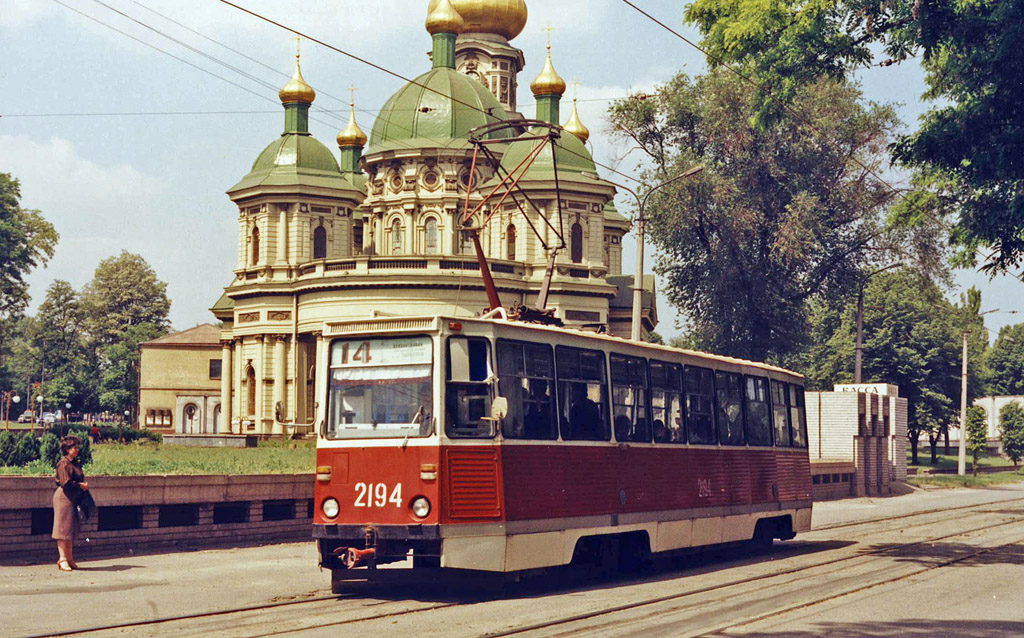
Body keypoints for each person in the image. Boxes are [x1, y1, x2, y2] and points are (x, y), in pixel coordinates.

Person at [52, 435, 88, 571]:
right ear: (67, 449)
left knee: (70, 529)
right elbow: (65, 483)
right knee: (62, 529)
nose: (77, 450)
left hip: (72, 498)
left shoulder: (73, 462)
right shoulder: (64, 463)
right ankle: (62, 559)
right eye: (74, 447)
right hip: (64, 497)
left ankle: (69, 558)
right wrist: (81, 485)